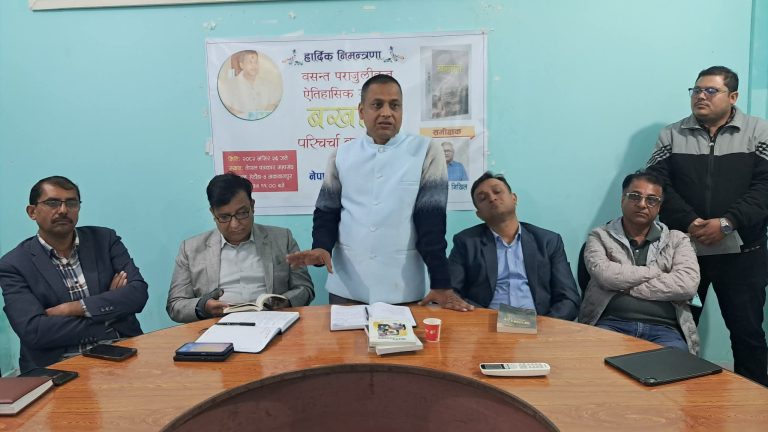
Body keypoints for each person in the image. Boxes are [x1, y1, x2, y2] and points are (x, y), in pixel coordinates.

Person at [286, 74, 472, 311]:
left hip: (403, 288)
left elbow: (432, 222)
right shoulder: (341, 155)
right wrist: (321, 246)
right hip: (347, 287)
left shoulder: (426, 151)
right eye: (377, 105)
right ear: (361, 111)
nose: (386, 113)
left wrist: (441, 282)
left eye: (394, 106)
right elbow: (327, 211)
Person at [647, 66, 768, 385]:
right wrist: (689, 221)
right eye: (697, 90)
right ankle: (674, 400)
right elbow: (656, 184)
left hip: (744, 254)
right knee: (676, 332)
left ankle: (757, 404)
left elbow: (765, 187)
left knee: (748, 334)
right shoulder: (672, 135)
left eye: (711, 91)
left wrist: (728, 222)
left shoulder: (759, 132)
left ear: (733, 97)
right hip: (685, 251)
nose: (701, 96)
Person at [0, 176, 148, 372]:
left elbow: (138, 294)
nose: (63, 210)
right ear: (32, 212)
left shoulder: (104, 240)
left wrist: (74, 308)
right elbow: (35, 331)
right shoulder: (14, 264)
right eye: (52, 203)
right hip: (58, 367)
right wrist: (108, 314)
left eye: (71, 203)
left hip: (121, 353)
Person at [578, 171, 700, 353]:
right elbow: (605, 276)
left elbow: (687, 286)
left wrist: (625, 286)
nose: (642, 204)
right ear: (622, 199)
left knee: (674, 361)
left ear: (659, 207)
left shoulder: (678, 240)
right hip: (611, 323)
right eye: (635, 196)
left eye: (651, 200)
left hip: (665, 329)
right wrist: (655, 272)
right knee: (597, 357)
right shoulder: (600, 236)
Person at [166, 173, 314, 323]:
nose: (235, 225)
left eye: (242, 213)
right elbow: (175, 305)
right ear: (213, 213)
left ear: (252, 206)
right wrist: (203, 307)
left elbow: (305, 288)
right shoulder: (191, 249)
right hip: (216, 327)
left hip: (273, 323)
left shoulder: (282, 239)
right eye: (224, 217)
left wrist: (286, 301)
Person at [448, 172, 580, 319]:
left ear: (514, 198)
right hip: (486, 323)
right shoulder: (466, 242)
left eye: (497, 191)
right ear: (479, 214)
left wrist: (546, 325)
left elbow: (569, 298)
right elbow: (451, 292)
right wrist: (479, 318)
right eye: (483, 198)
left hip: (540, 323)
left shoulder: (548, 241)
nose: (492, 198)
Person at [218, 50, 281, 120]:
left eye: (256, 62)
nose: (254, 66)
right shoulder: (229, 86)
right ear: (242, 65)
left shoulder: (269, 85)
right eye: (250, 62)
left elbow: (275, 105)